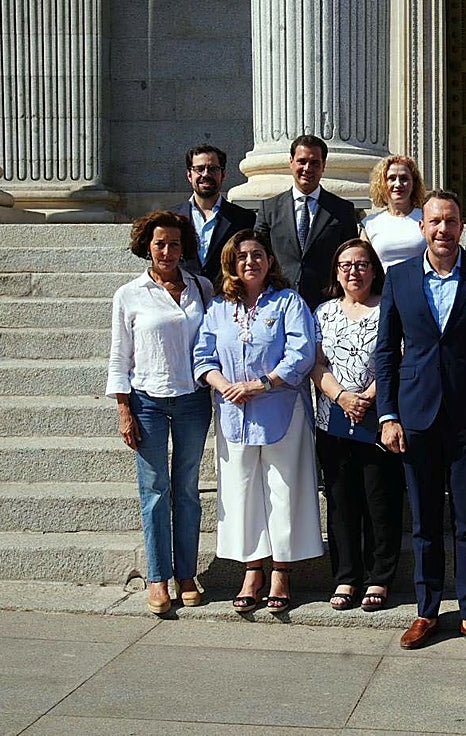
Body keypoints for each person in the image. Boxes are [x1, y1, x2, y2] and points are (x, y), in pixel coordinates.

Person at [375, 190, 466, 653]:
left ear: (461, 227)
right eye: (435, 221)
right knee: (424, 521)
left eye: (451, 221)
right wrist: (388, 414)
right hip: (415, 416)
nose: (442, 229)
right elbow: (386, 353)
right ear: (422, 227)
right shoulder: (399, 278)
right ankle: (427, 611)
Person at [192, 229, 322, 614]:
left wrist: (262, 383)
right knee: (241, 491)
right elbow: (203, 356)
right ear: (231, 264)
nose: (250, 261)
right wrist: (225, 387)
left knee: (284, 490)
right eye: (242, 256)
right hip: (234, 412)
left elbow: (301, 353)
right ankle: (252, 570)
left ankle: (281, 570)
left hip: (282, 408)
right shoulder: (218, 308)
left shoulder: (288, 302)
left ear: (270, 261)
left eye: (257, 254)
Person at [107, 210, 214, 615]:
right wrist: (124, 410)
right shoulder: (129, 294)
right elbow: (120, 356)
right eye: (159, 244)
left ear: (184, 247)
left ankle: (186, 574)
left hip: (192, 400)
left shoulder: (201, 288)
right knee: (154, 491)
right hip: (147, 401)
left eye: (174, 244)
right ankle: (157, 576)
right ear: (146, 247)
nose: (167, 251)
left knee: (186, 490)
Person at [310, 238, 403, 612]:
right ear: (336, 272)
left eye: (362, 264)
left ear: (374, 270)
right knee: (340, 501)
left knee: (380, 499)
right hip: (333, 418)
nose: (354, 272)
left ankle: (380, 577)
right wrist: (342, 397)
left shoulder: (389, 307)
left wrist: (367, 396)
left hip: (378, 417)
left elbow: (398, 356)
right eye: (346, 265)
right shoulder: (323, 312)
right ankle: (346, 576)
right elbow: (316, 364)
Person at [255, 135, 359, 311]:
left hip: (327, 303)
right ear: (291, 162)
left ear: (323, 166)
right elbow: (258, 254)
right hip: (278, 301)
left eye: (315, 163)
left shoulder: (342, 210)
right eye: (302, 161)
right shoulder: (269, 208)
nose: (307, 168)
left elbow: (350, 256)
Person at [169, 144, 255, 287]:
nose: (206, 174)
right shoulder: (171, 218)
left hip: (227, 296)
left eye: (213, 169)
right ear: (189, 175)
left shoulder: (244, 219)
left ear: (223, 174)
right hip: (183, 295)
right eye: (199, 169)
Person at [360, 154, 427, 270]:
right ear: (382, 183)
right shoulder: (370, 224)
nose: (398, 184)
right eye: (391, 178)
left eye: (404, 178)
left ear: (414, 184)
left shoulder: (427, 218)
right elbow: (363, 263)